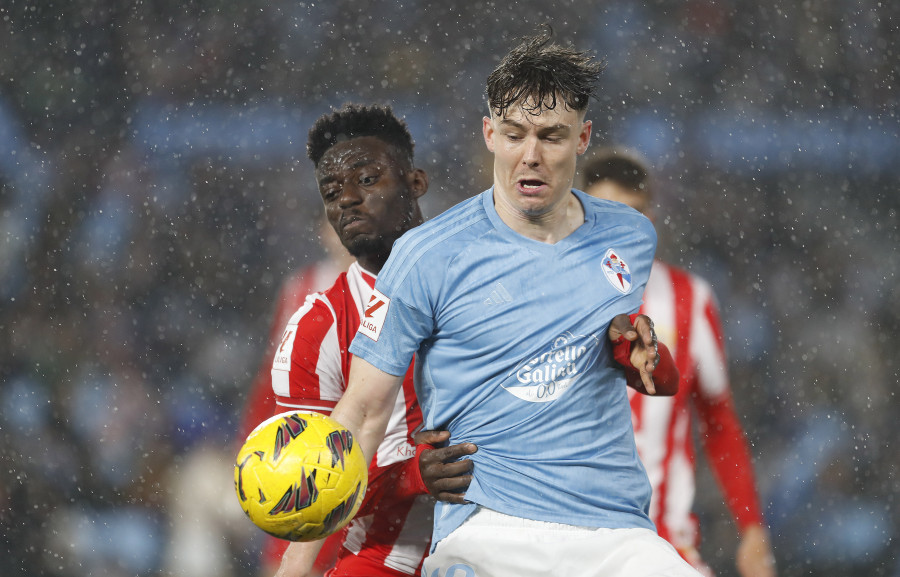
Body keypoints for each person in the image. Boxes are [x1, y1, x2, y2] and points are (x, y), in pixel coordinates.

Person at [328, 31, 702, 577]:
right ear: (489, 133)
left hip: (618, 536)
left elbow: (632, 355)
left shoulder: (630, 236)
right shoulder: (427, 256)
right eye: (514, 134)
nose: (531, 155)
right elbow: (361, 411)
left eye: (552, 136)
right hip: (487, 533)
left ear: (582, 138)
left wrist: (636, 350)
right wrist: (307, 531)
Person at [580, 147, 777, 577]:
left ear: (650, 218)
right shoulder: (554, 297)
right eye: (605, 213)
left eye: (631, 214)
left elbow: (719, 420)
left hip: (663, 543)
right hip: (573, 541)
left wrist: (752, 529)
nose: (620, 228)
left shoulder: (690, 300)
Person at [265, 104, 438, 577]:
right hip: (388, 560)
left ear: (415, 183)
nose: (347, 200)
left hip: (515, 543)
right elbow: (310, 489)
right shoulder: (315, 328)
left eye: (366, 180)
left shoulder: (485, 279)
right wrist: (409, 477)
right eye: (331, 190)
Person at [239, 213, 354, 576]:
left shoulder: (390, 287)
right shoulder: (300, 287)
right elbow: (272, 376)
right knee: (290, 548)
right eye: (336, 223)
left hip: (357, 436)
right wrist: (251, 441)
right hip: (299, 443)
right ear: (323, 232)